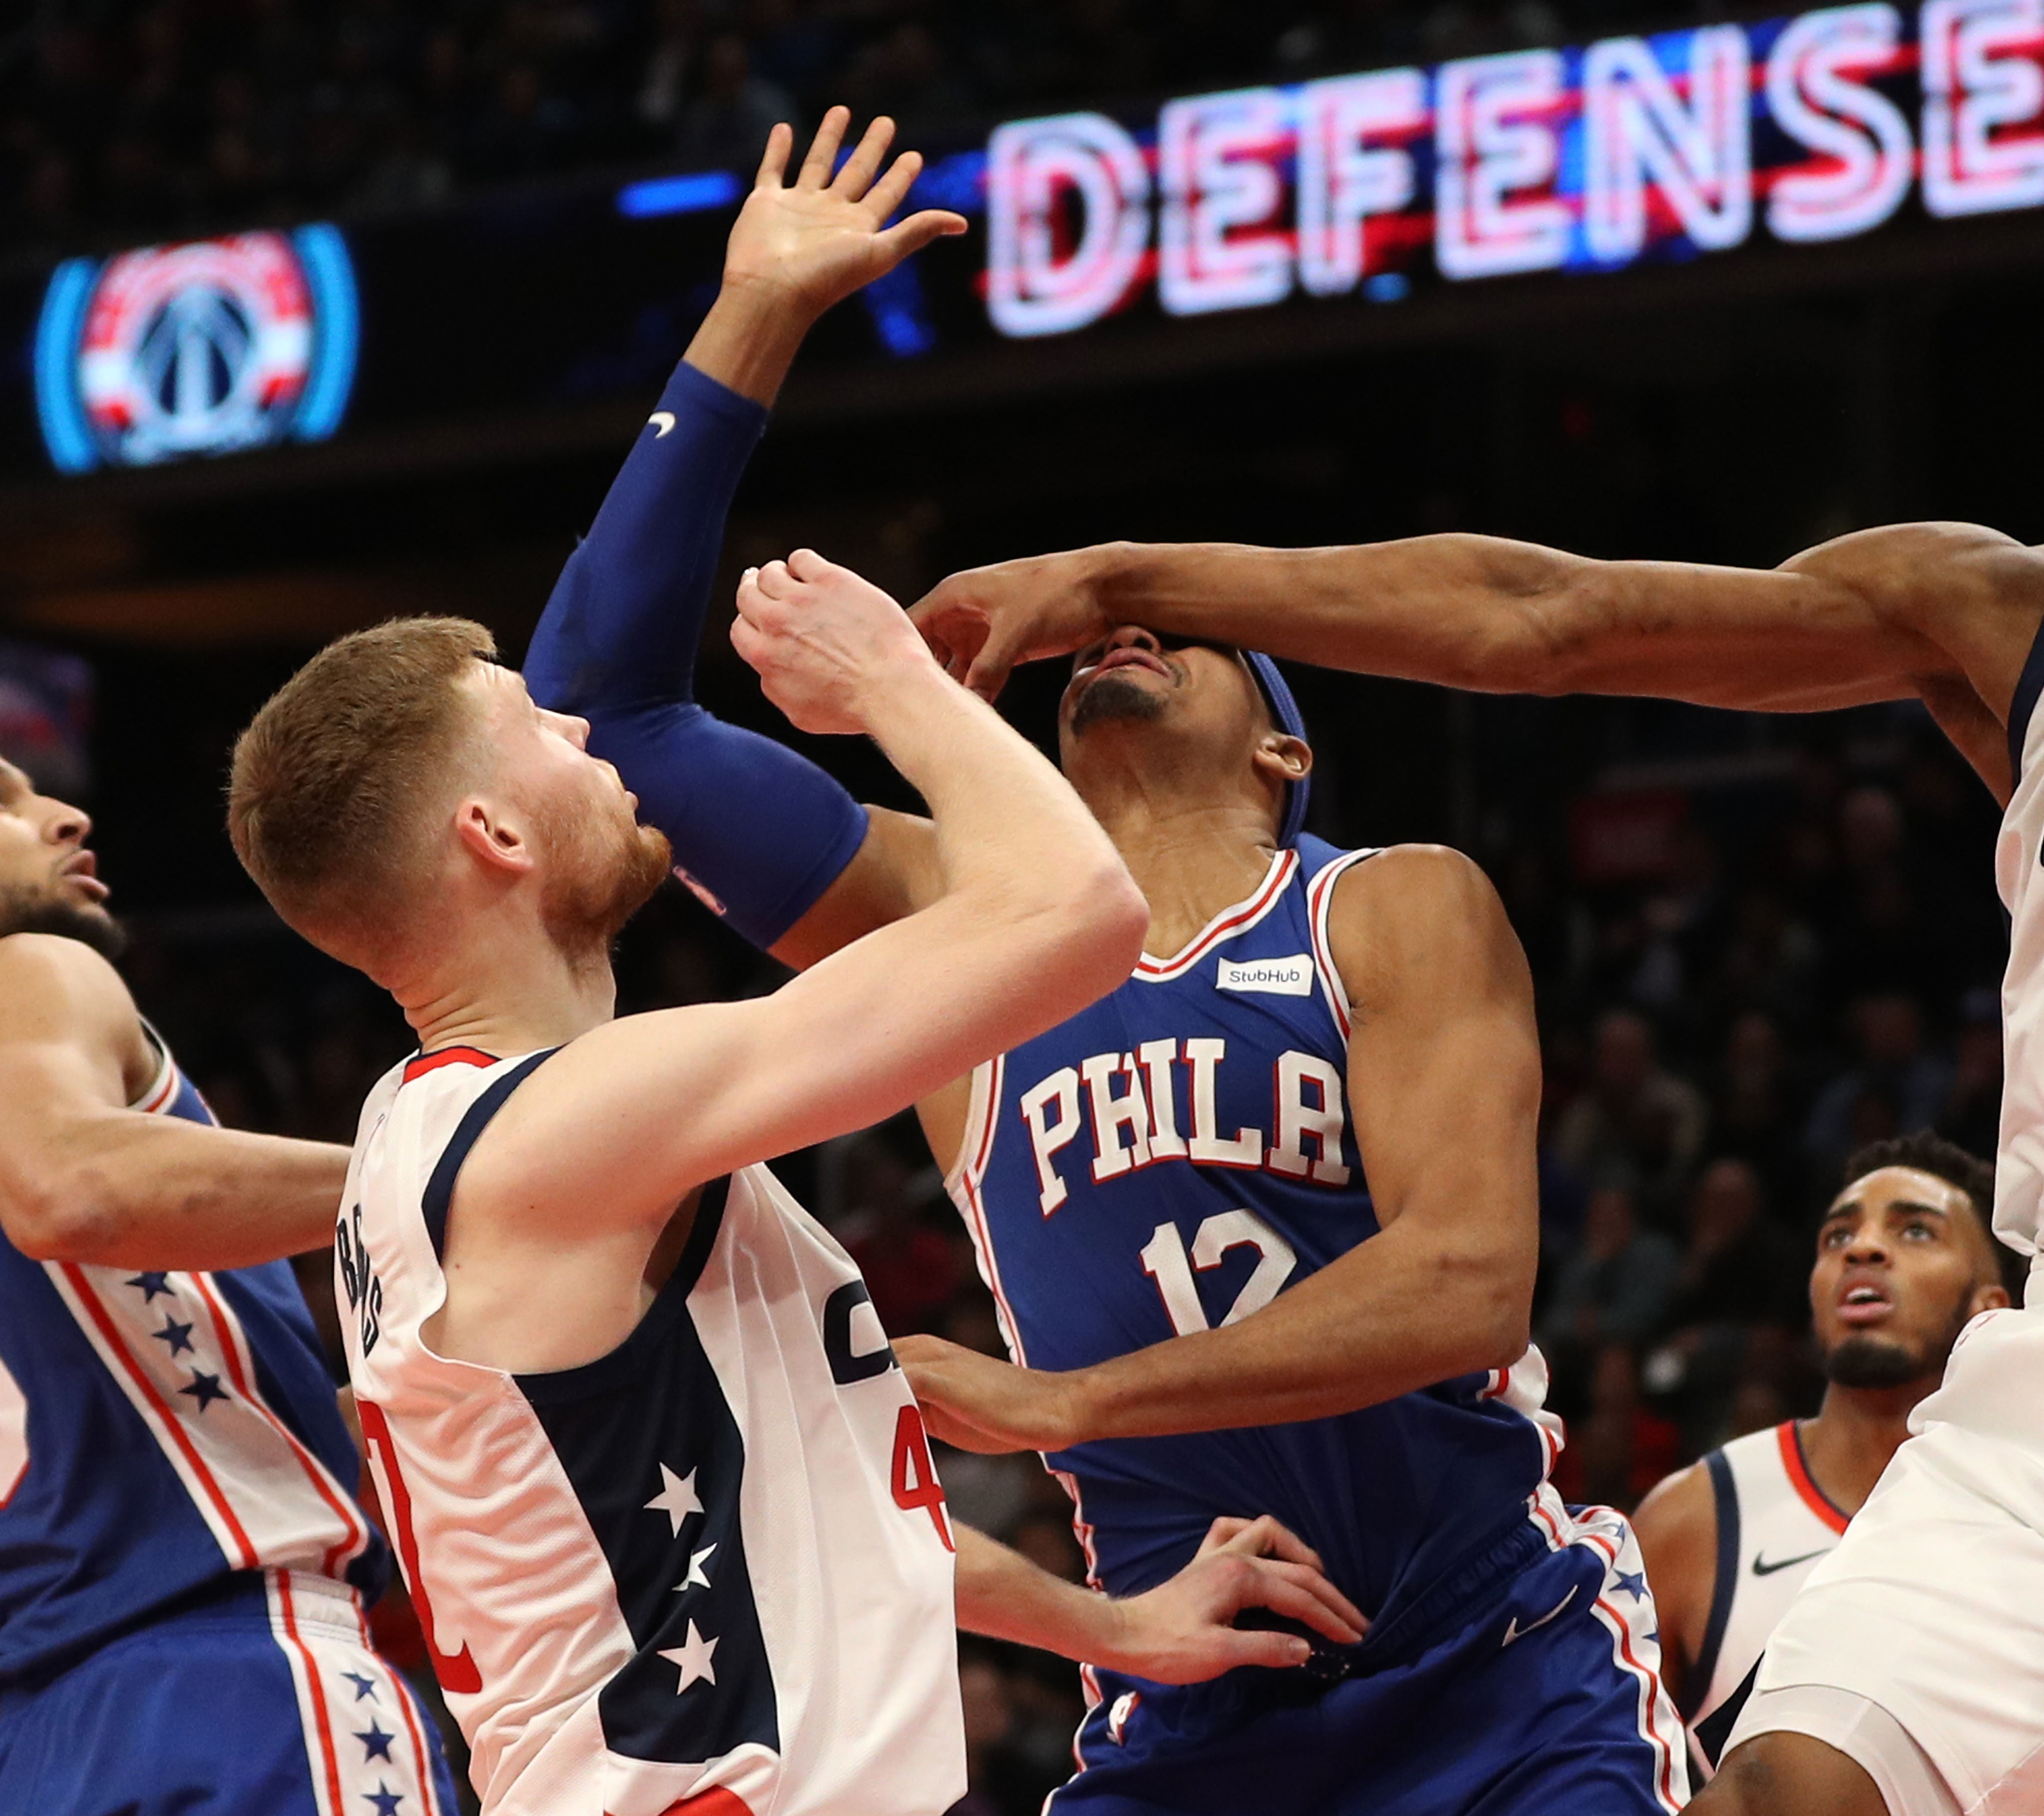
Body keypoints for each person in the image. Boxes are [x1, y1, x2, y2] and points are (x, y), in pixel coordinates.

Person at [907, 0, 2044, 1805]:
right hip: (2041, 1352)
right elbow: (1547, 615)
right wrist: (1124, 566)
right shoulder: (2010, 608)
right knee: (1776, 1788)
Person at [223, 112, 1362, 1816]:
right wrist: (895, 677)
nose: (583, 731)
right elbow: (1077, 913)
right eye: (534, 732)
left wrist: (1114, 1622)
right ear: (494, 837)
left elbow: (815, 1494)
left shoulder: (464, 1134)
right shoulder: (559, 1133)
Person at [519, 166, 1687, 1812]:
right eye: (1095, 636)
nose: (1114, 637)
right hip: (1186, 1695)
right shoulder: (944, 910)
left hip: (1495, 1661)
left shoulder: (1390, 901)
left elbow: (1464, 1284)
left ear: (1286, 742)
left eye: (1178, 633)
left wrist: (1069, 1400)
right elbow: (593, 721)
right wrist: (759, 317)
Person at [0, 719, 457, 1815]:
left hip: (57, 1732)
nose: (65, 816)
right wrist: (455, 1165)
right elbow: (74, 1188)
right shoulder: (12, 976)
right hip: (236, 1678)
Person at [1635, 1135, 2009, 1777]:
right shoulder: (1697, 1518)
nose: (1861, 1248)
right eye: (1837, 1237)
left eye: (1916, 1232)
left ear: (1989, 1308)